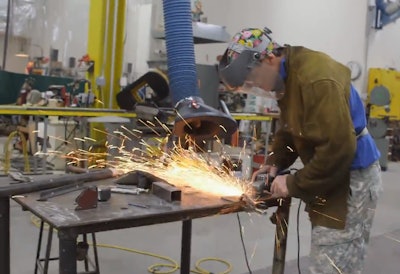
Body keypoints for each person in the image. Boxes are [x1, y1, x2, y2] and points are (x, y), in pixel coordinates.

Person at [218, 27, 383, 274]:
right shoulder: (289, 75)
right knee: (329, 257)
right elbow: (290, 128)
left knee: (332, 265)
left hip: (351, 179)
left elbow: (339, 149)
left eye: (252, 80)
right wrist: (275, 162)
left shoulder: (316, 79)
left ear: (268, 58)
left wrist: (293, 183)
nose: (256, 88)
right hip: (332, 174)